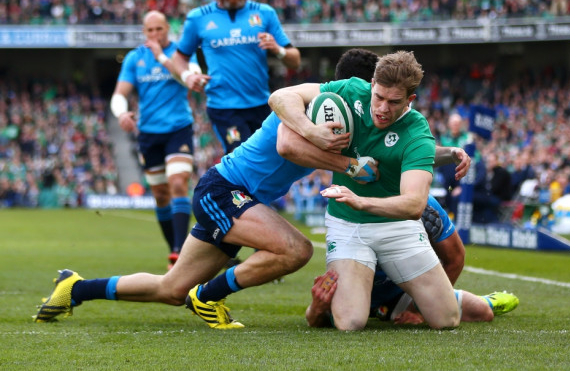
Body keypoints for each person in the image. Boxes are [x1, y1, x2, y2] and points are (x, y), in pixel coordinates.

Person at [32, 49, 466, 329]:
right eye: (374, 96)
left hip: (237, 197)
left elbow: (401, 150)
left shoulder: (357, 118)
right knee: (295, 250)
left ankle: (75, 287)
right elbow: (286, 143)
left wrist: (449, 154)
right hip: (224, 191)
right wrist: (346, 162)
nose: (378, 109)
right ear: (358, 90)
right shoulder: (323, 111)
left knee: (169, 289)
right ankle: (209, 297)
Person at [269, 51, 472, 331]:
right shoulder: (351, 90)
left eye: (394, 102)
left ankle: (424, 299)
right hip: (348, 225)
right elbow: (280, 96)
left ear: (410, 100)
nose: (383, 108)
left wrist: (361, 201)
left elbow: (413, 205)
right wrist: (311, 131)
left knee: (447, 319)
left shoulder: (417, 132)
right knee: (351, 322)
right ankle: (318, 308)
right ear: (372, 84)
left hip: (397, 227)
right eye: (379, 97)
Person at [305, 195, 519, 327]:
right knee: (334, 320)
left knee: (482, 312)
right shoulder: (346, 202)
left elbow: (456, 257)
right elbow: (314, 321)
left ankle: (487, 300)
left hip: (398, 293)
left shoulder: (425, 205)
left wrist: (418, 310)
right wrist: (317, 307)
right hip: (352, 289)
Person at [165, 0, 301, 154]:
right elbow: (178, 58)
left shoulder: (264, 13)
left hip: (260, 104)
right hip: (224, 107)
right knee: (242, 155)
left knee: (269, 159)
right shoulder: (199, 18)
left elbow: (295, 60)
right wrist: (188, 77)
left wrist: (278, 49)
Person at [110, 10, 198, 268]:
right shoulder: (134, 58)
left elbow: (188, 78)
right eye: (150, 31)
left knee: (178, 183)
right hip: (148, 134)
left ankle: (180, 252)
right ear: (144, 32)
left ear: (167, 29)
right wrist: (121, 112)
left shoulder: (181, 54)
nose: (155, 35)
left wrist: (161, 56)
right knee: (160, 194)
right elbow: (120, 93)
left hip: (178, 128)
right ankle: (173, 249)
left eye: (159, 29)